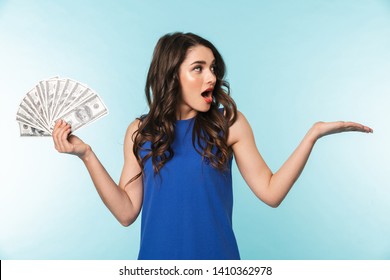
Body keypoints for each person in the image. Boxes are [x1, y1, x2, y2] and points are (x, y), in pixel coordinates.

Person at [52, 32, 373, 260]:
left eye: (213, 68)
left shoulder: (229, 124)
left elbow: (272, 193)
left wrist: (312, 135)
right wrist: (87, 155)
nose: (212, 77)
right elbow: (126, 212)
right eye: (199, 68)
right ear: (171, 75)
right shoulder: (141, 131)